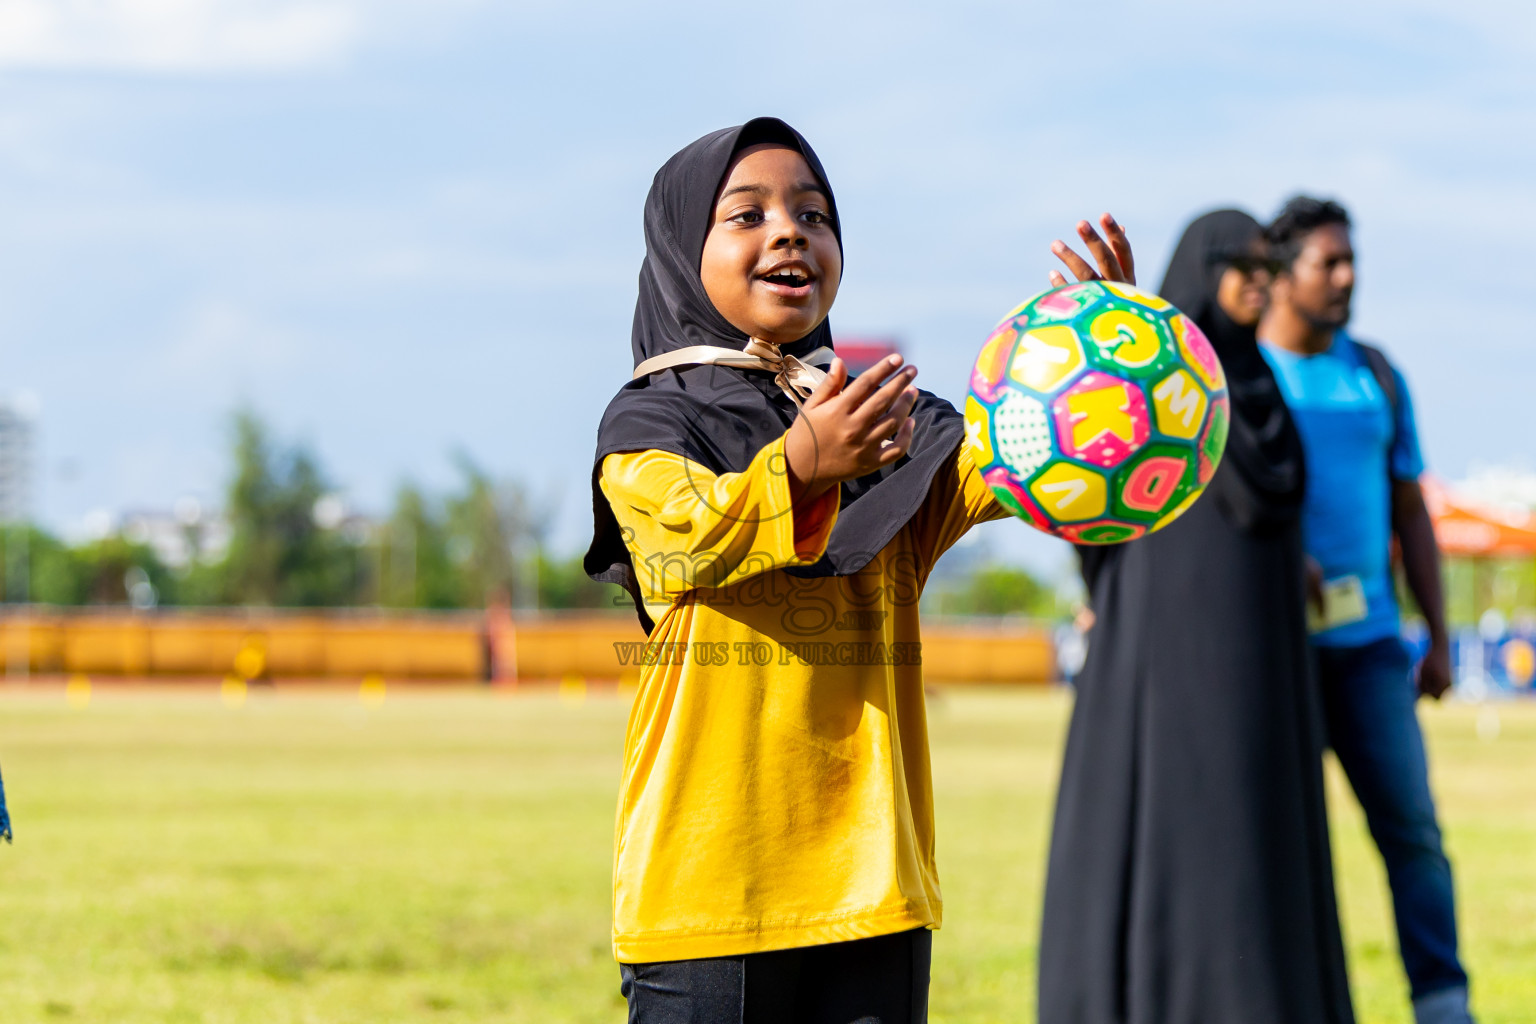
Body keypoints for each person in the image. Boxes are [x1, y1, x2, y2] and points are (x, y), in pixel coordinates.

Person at [584, 116, 1092, 1022]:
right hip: (709, 896)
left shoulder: (893, 423)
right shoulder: (648, 426)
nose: (790, 230)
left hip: (873, 891)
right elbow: (687, 540)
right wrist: (802, 467)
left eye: (813, 213)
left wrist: (1094, 363)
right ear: (677, 250)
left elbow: (1025, 461)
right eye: (746, 215)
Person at [1037, 210, 1355, 1024]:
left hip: (1264, 651)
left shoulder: (1252, 384)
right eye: (1238, 264)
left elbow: (1271, 493)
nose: (1258, 280)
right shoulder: (1168, 384)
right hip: (1167, 648)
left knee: (1256, 822)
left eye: (1266, 265)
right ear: (1199, 271)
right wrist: (1127, 342)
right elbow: (1090, 484)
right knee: (1181, 812)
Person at [1260, 196, 1472, 1024]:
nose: (1348, 278)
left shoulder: (1375, 373)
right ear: (1281, 273)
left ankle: (1443, 1003)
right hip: (1277, 655)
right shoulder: (1238, 376)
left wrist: (1440, 639)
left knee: (1414, 835)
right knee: (1283, 844)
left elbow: (1410, 509)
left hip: (1375, 650)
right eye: (1329, 262)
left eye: (1352, 262)